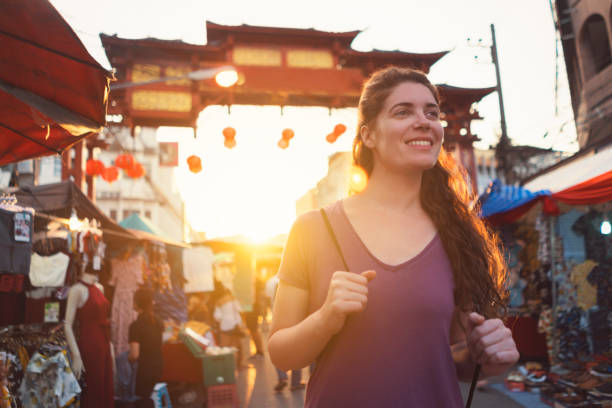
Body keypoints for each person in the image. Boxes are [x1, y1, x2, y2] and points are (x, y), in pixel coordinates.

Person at [268, 66, 519, 407]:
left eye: (432, 113)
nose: (424, 121)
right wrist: (325, 319)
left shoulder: (457, 235)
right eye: (403, 112)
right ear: (368, 135)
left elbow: (452, 357)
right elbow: (282, 355)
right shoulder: (313, 228)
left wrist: (489, 358)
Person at [65, 263, 115, 407]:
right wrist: (76, 355)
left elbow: (104, 317)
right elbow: (67, 324)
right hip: (90, 343)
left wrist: (110, 346)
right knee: (93, 386)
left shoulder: (100, 288)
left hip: (104, 341)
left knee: (104, 385)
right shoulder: (76, 290)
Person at [265, 274, 305, 392]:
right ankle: (295, 383)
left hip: (278, 320)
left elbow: (268, 299)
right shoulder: (297, 282)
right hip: (296, 320)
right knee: (297, 351)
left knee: (277, 347)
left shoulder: (272, 282)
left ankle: (282, 377)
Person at [128, 288, 163, 408]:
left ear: (138, 303)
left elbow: (134, 355)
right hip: (158, 367)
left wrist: (127, 360)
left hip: (144, 371)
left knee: (143, 402)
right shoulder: (158, 321)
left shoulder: (135, 326)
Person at [213, 284, 246, 369]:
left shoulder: (218, 302)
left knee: (225, 348)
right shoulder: (233, 299)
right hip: (235, 325)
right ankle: (238, 365)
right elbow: (240, 311)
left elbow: (217, 317)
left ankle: (228, 367)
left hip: (225, 326)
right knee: (235, 347)